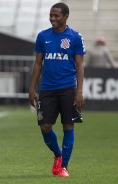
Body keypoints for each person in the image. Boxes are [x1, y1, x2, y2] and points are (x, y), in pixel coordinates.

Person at [28, 3, 85, 177]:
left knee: (68, 126)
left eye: (56, 16)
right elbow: (38, 64)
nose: (52, 18)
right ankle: (58, 155)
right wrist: (31, 88)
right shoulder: (42, 36)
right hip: (47, 89)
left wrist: (80, 91)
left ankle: (64, 167)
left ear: (66, 16)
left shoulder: (75, 37)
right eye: (51, 15)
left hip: (68, 88)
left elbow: (80, 64)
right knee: (45, 126)